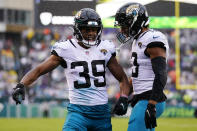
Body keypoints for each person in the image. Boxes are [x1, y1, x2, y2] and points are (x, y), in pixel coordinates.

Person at [12, 8, 130, 131]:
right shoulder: (66, 49)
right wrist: (21, 84)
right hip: (78, 112)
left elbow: (122, 77)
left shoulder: (105, 47)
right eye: (87, 29)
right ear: (78, 29)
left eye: (94, 30)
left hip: (101, 114)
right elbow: (39, 70)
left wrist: (124, 98)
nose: (92, 33)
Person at [113, 2, 169, 131]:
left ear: (136, 21)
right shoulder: (138, 40)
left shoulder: (153, 39)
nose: (122, 30)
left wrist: (152, 104)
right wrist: (124, 97)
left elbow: (161, 74)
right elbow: (139, 75)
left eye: (125, 25)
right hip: (143, 98)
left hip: (149, 98)